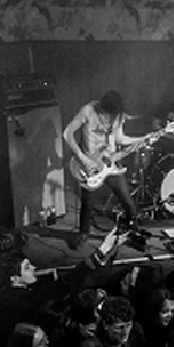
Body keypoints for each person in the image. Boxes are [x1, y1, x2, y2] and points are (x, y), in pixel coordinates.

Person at [63, 90, 147, 249]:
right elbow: (67, 133)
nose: (108, 119)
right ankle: (83, 234)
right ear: (101, 108)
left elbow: (120, 139)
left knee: (128, 201)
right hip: (90, 166)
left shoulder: (118, 116)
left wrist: (143, 138)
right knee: (87, 203)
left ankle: (132, 232)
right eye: (106, 115)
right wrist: (83, 158)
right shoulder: (88, 110)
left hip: (109, 163)